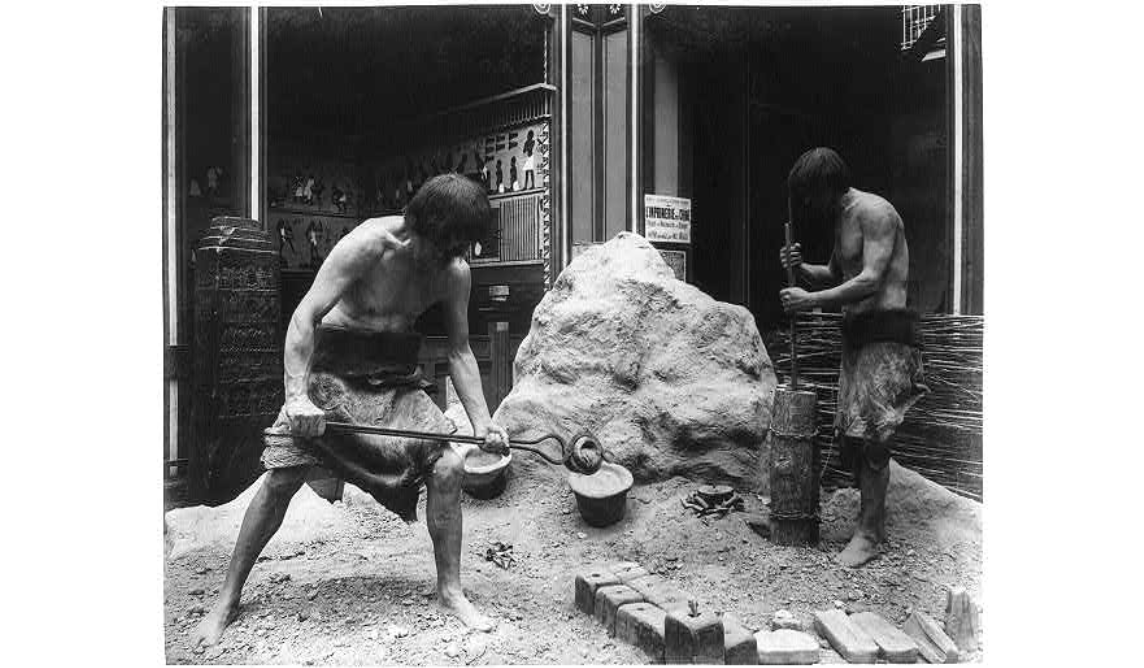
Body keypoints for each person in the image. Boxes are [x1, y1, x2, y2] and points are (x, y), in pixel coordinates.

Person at [192, 174, 511, 647]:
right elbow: (306, 316)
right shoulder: (368, 244)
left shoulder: (454, 271)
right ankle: (226, 600)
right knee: (281, 479)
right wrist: (297, 396)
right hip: (332, 376)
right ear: (428, 227)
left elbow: (462, 351)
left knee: (447, 466)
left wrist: (483, 422)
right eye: (453, 242)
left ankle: (451, 590)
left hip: (395, 383)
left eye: (464, 245)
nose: (459, 254)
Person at [778, 147, 929, 568]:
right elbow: (835, 275)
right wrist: (802, 268)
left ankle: (870, 534)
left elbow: (869, 280)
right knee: (853, 437)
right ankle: (868, 525)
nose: (808, 205)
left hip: (888, 337)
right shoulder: (839, 220)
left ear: (827, 187)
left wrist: (810, 302)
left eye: (810, 195)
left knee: (874, 438)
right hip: (858, 338)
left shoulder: (876, 213)